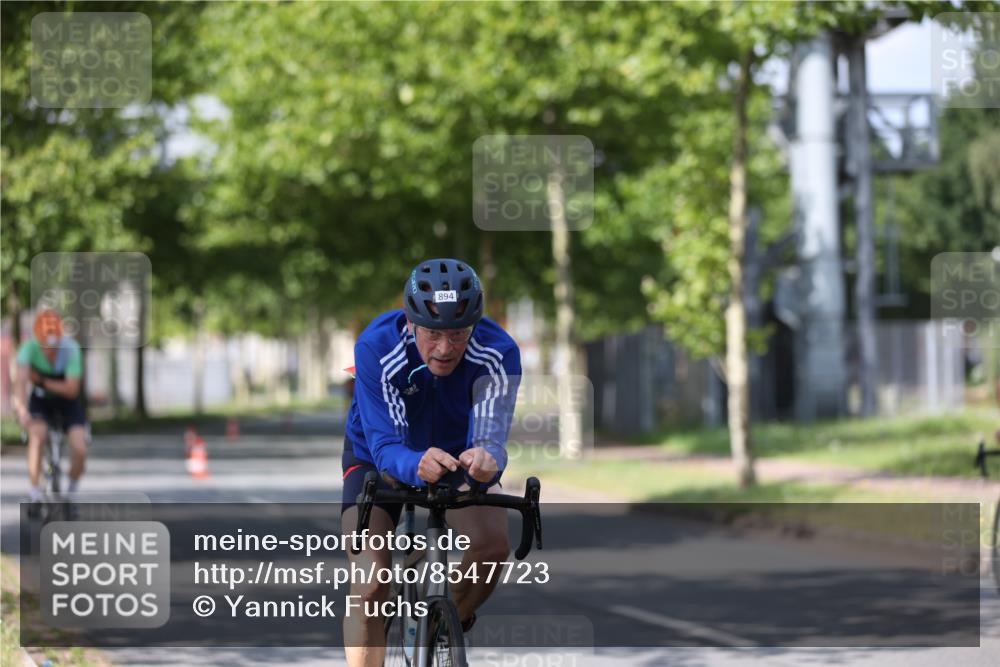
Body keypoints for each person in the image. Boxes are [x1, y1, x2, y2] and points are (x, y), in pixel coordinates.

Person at [341, 258, 521, 667]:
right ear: (410, 322)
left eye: (458, 333)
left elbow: (492, 438)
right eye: (433, 334)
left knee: (493, 545)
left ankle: (445, 628)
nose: (445, 348)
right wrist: (415, 462)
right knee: (370, 581)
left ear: (474, 324)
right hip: (376, 454)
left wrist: (487, 460)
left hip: (456, 452)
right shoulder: (376, 346)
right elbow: (386, 446)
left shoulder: (499, 351)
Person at [12, 309, 88, 511]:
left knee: (80, 448)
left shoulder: (71, 349)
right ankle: (35, 493)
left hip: (67, 402)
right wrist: (21, 409)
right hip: (40, 401)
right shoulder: (28, 349)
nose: (51, 351)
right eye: (46, 345)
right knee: (37, 437)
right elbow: (20, 382)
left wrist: (42, 380)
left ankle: (70, 493)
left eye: (54, 345)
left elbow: (72, 390)